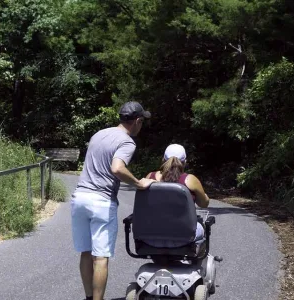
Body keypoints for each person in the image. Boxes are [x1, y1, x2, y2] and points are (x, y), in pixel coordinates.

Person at [71, 101, 156, 300]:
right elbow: (117, 168)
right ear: (137, 121)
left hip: (80, 197)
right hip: (101, 200)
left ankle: (89, 297)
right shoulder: (127, 142)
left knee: (85, 252)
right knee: (100, 257)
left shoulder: (98, 134)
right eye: (142, 122)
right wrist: (138, 183)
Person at [143, 144, 210, 250]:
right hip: (184, 238)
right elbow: (204, 204)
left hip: (151, 238)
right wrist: (205, 197)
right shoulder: (190, 180)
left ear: (163, 160)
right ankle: (197, 263)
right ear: (185, 162)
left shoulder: (150, 176)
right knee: (203, 226)